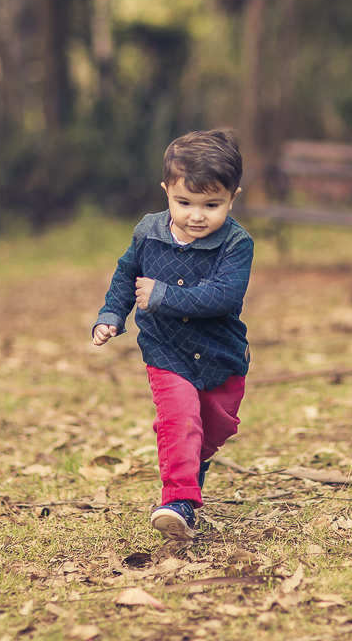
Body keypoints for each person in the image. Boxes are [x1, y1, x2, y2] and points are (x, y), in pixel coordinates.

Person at [92, 129, 254, 542]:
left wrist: (163, 295)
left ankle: (185, 462)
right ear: (166, 191)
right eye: (184, 203)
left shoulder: (236, 244)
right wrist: (111, 314)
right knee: (180, 420)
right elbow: (126, 273)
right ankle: (178, 502)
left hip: (220, 356)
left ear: (233, 197)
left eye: (211, 205)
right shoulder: (148, 232)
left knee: (214, 428)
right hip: (166, 351)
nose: (196, 216)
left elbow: (224, 296)